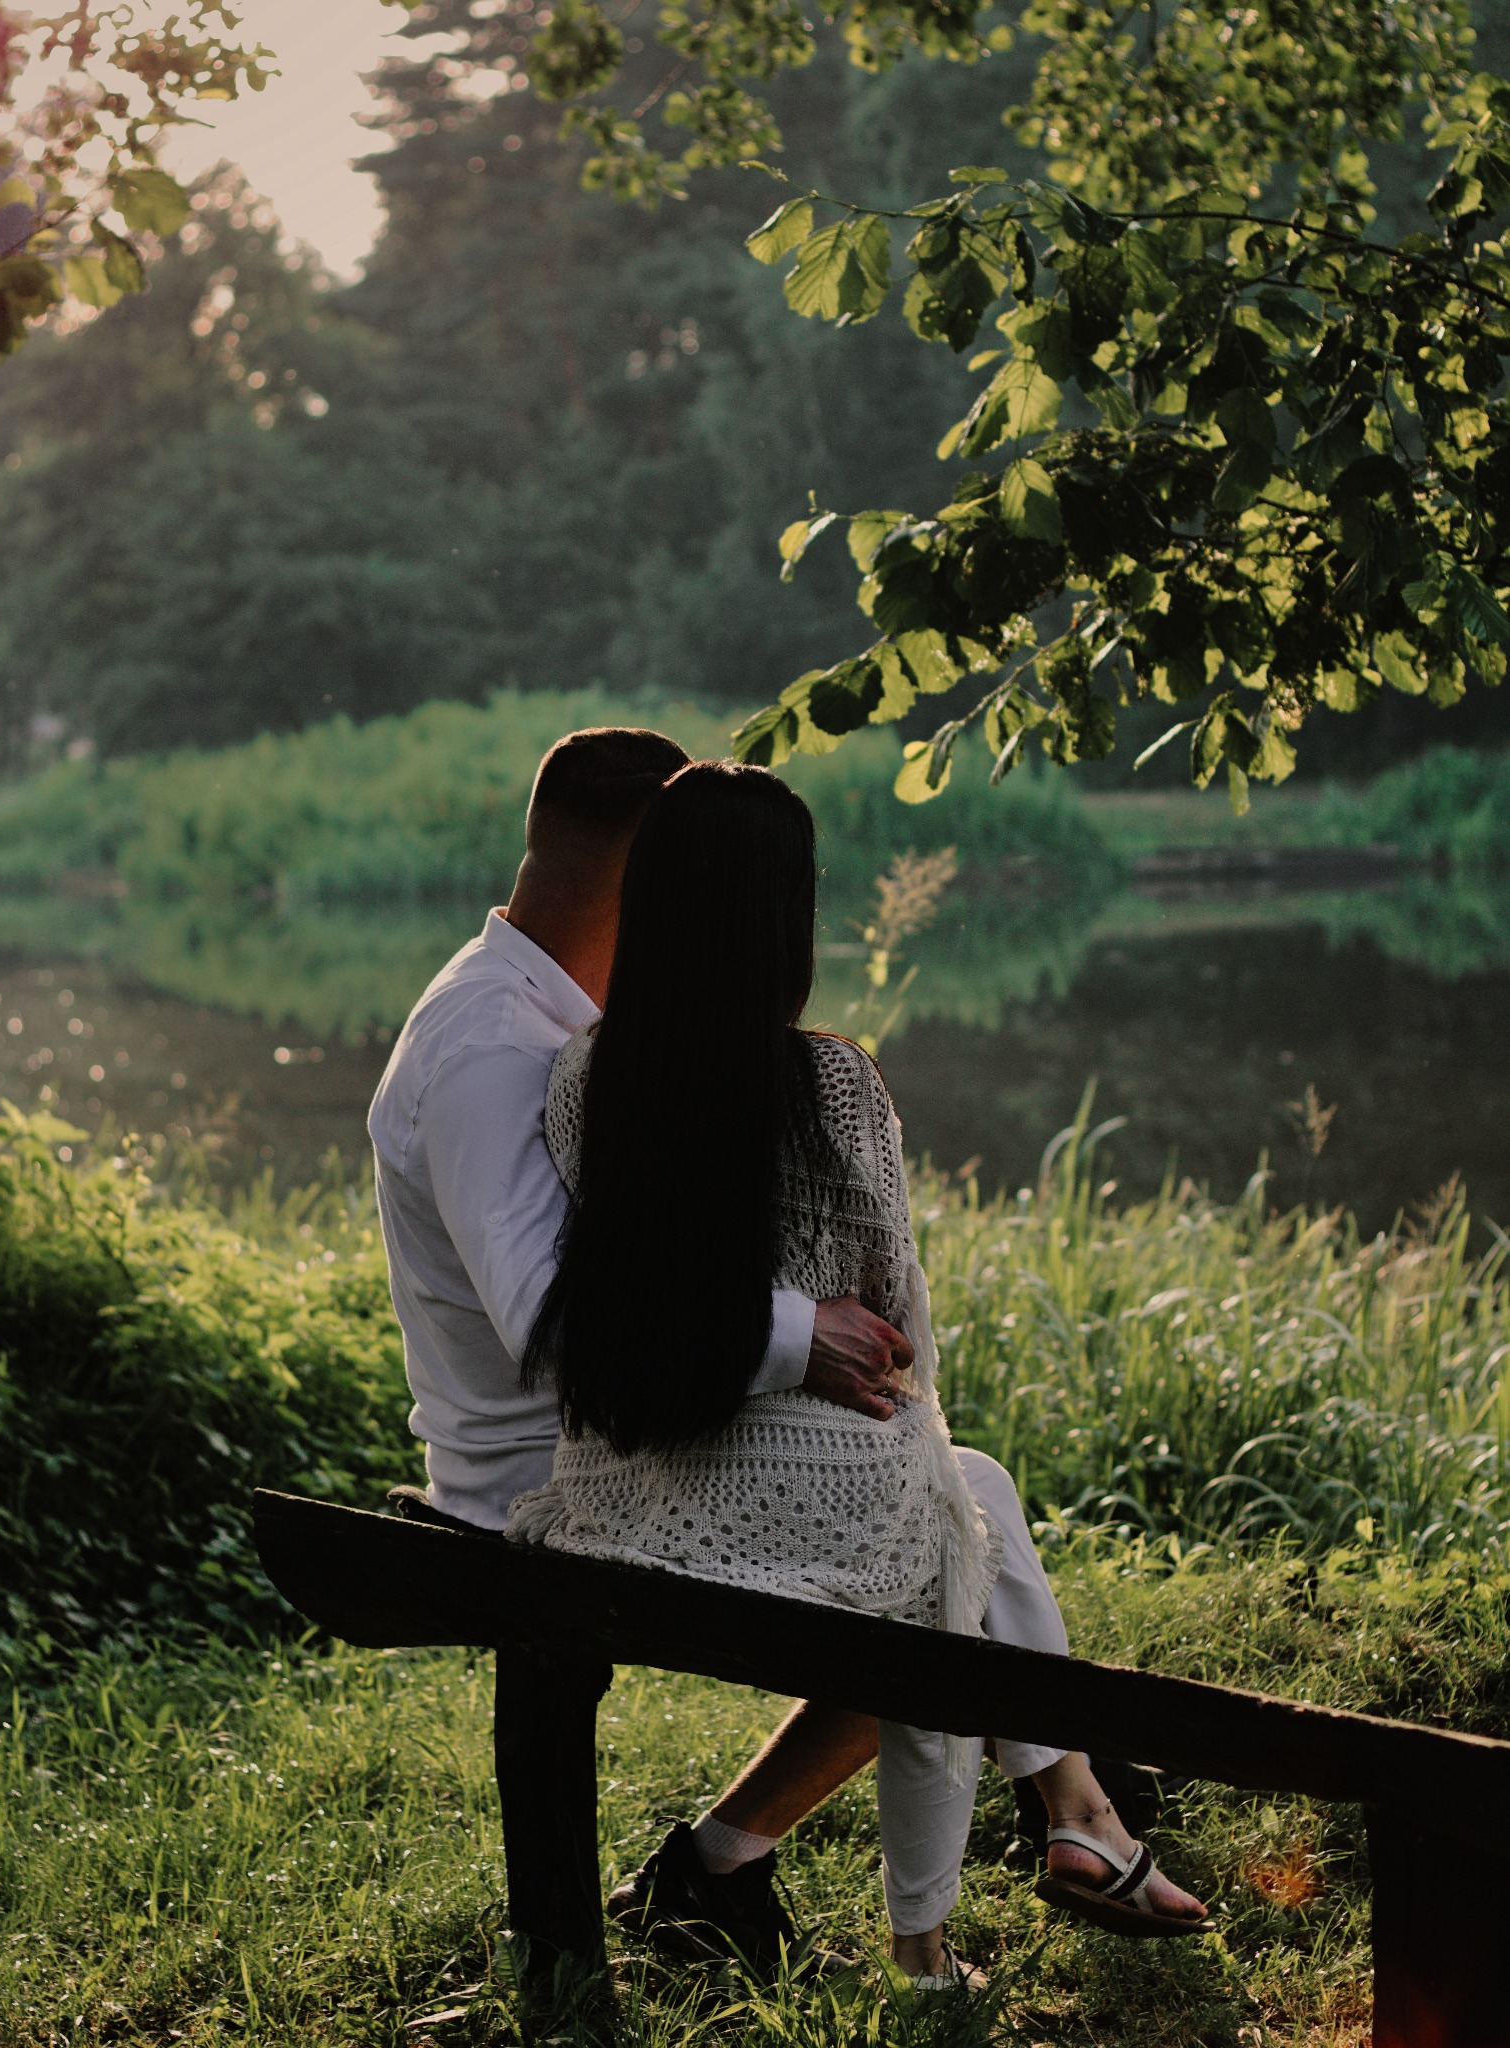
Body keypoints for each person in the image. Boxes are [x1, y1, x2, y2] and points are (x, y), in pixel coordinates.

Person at [512, 760, 1210, 1986]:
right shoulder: (831, 1082)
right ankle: (968, 1904)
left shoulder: (579, 1079)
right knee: (957, 1521)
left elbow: (629, 1299)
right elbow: (900, 1329)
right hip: (797, 1514)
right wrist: (872, 1388)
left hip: (624, 1503)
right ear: (785, 912)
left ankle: (1073, 1814)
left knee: (963, 1498)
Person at [367, 727, 907, 1983]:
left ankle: (727, 1860)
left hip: (631, 1434)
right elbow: (555, 1329)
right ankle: (1042, 1821)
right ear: (639, 880)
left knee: (941, 1505)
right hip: (547, 1483)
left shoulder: (563, 1017)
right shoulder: (490, 1049)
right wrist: (793, 1335)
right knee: (940, 1537)